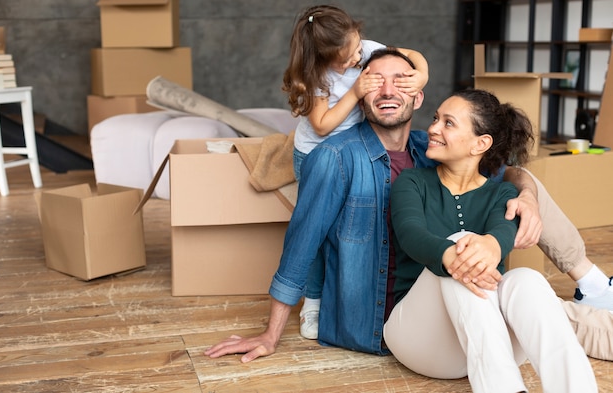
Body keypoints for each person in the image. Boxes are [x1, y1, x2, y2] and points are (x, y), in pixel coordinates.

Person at [204, 47, 613, 364]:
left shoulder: (429, 149)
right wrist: (270, 333)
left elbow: (505, 167)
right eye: (374, 81)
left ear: (417, 99)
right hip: (388, 322)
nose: (387, 90)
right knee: (486, 271)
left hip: (457, 300)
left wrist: (527, 197)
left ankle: (593, 288)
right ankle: (591, 295)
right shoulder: (335, 157)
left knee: (549, 311)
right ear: (360, 96)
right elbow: (301, 244)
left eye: (400, 81)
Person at [385, 88, 597, 392]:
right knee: (463, 242)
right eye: (435, 119)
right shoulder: (412, 182)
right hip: (421, 340)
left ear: (480, 144)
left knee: (526, 278)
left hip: (491, 344)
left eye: (448, 123)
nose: (432, 128)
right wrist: (451, 255)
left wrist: (494, 244)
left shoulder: (504, 195)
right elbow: (411, 234)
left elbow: (502, 232)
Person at [282, 4, 429, 339]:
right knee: (318, 229)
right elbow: (321, 125)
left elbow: (414, 56)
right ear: (323, 59)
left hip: (358, 147)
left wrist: (419, 75)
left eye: (357, 47)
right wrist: (355, 91)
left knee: (353, 222)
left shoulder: (367, 49)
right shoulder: (317, 75)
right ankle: (313, 302)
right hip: (317, 153)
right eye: (347, 59)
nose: (356, 58)